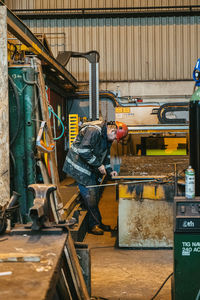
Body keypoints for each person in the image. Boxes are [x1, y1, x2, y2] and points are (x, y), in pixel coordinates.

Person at [63, 120, 128, 235]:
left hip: (89, 166)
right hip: (78, 166)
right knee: (90, 195)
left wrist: (109, 171)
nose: (114, 140)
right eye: (114, 137)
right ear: (112, 130)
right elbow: (83, 151)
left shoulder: (106, 136)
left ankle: (98, 222)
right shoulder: (94, 131)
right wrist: (98, 165)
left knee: (95, 194)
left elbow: (105, 155)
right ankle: (94, 225)